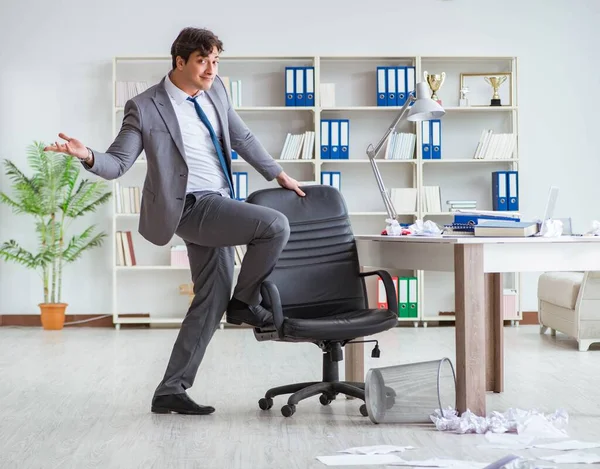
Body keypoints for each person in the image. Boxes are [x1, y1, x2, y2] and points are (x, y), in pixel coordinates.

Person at [44, 27, 306, 416]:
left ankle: (170, 390)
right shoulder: (145, 106)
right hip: (188, 207)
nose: (211, 70)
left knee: (210, 299)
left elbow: (242, 137)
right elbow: (118, 163)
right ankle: (246, 304)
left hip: (219, 201)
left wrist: (278, 174)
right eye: (203, 61)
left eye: (215, 61)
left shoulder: (216, 91)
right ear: (179, 61)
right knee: (274, 226)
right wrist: (86, 155)